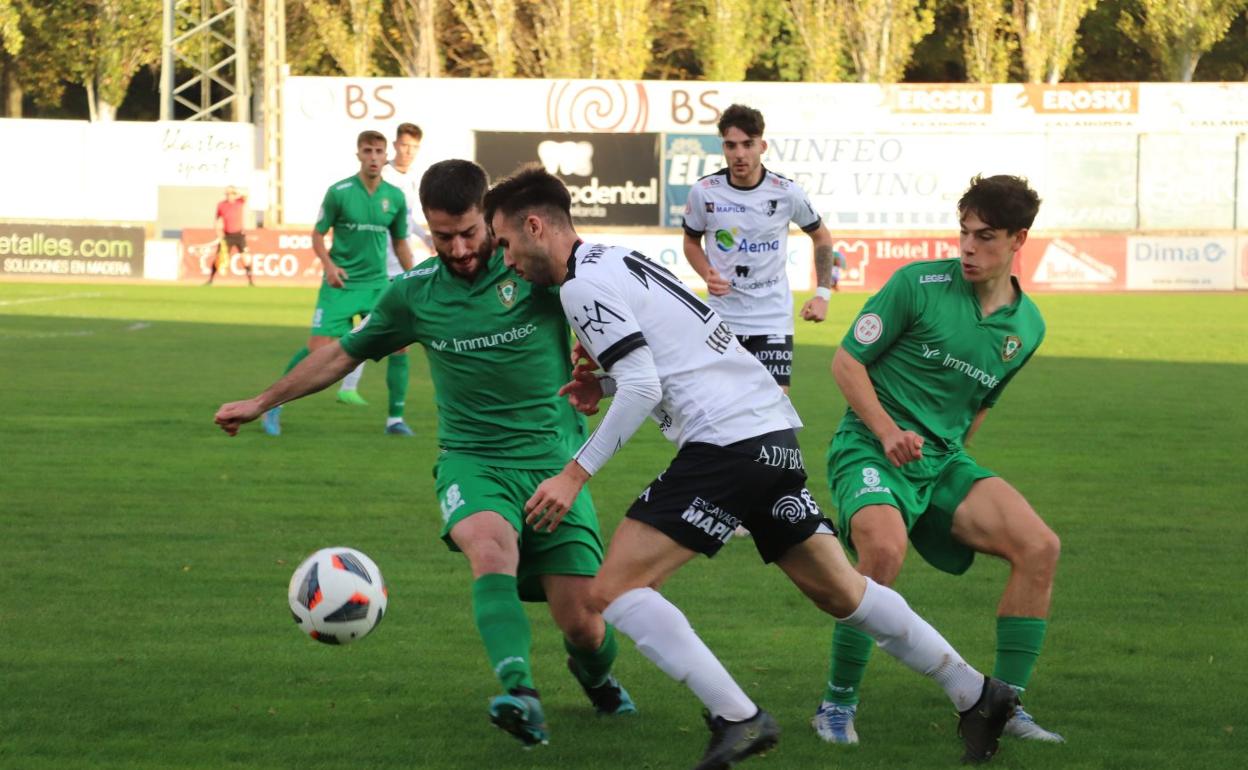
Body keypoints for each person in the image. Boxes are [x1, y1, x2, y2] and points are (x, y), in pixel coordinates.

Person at [485, 164, 1019, 769]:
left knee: (614, 590)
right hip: (770, 430)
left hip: (725, 445)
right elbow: (665, 355)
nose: (505, 259)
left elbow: (643, 385)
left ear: (534, 225)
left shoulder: (580, 286)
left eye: (504, 242)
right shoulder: (612, 257)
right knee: (841, 590)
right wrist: (601, 384)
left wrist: (573, 473)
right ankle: (976, 692)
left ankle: (737, 717)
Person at [216, 159, 634, 747]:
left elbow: (622, 329)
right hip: (473, 461)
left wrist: (604, 375)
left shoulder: (538, 272)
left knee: (583, 621)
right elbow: (342, 355)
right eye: (443, 237)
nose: (459, 248)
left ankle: (597, 678)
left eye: (469, 232)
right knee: (491, 548)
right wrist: (262, 400)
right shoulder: (414, 294)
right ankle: (520, 692)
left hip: (552, 462)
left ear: (490, 219)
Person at [812, 175, 1062, 747]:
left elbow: (980, 406)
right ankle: (835, 705)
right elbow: (847, 364)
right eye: (964, 233)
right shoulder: (916, 284)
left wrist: (943, 457)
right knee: (881, 551)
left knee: (1039, 547)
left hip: (942, 461)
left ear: (1018, 240)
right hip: (869, 447)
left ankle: (1002, 705)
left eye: (986, 237)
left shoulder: (1028, 326)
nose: (969, 248)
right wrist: (888, 430)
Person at [260, 130, 416, 437]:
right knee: (317, 350)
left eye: (379, 151)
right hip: (340, 285)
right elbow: (318, 235)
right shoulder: (339, 192)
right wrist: (329, 266)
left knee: (400, 345)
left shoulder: (394, 198)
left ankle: (395, 420)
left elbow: (400, 244)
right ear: (358, 154)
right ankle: (272, 405)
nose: (373, 157)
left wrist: (414, 280)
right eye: (368, 151)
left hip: (376, 286)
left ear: (387, 157)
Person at [681, 103, 837, 394]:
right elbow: (691, 242)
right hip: (723, 316)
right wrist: (707, 273)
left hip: (772, 318)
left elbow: (822, 237)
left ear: (762, 145)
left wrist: (823, 294)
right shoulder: (705, 191)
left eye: (747, 145)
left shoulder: (786, 192)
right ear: (723, 147)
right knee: (722, 406)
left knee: (773, 408)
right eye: (731, 145)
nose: (739, 154)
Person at [337, 122, 436, 412]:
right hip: (374, 272)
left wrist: (424, 236)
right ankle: (282, 398)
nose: (408, 151)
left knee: (396, 343)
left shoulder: (413, 179)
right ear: (395, 145)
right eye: (404, 145)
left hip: (398, 272)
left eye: (414, 147)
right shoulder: (382, 174)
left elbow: (403, 220)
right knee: (350, 339)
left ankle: (393, 415)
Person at [206, 186, 251, 285]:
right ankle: (210, 280)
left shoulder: (240, 202)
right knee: (219, 257)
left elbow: (246, 194)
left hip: (239, 235)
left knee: (245, 258)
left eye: (231, 193)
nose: (229, 196)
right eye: (227, 194)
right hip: (227, 236)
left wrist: (236, 190)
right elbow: (217, 220)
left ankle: (250, 281)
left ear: (235, 194)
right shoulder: (221, 205)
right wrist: (218, 232)